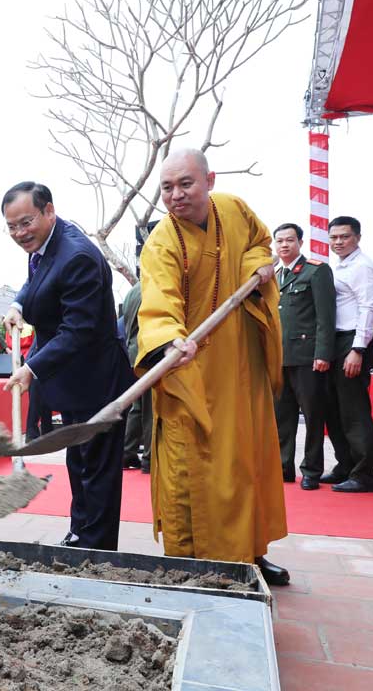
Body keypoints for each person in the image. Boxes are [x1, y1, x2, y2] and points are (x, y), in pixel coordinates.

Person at [135, 148, 289, 585]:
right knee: (195, 469)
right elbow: (159, 301)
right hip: (192, 372)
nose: (176, 195)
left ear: (209, 180)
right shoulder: (162, 242)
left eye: (186, 184)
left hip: (242, 363)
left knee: (247, 463)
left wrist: (256, 267)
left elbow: (260, 243)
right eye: (167, 187)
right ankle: (196, 565)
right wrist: (169, 340)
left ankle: (250, 554)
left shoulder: (234, 209)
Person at [2, 181, 135, 551]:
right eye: (12, 226)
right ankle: (81, 533)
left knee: (98, 469)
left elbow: (77, 329)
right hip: (74, 382)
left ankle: (96, 547)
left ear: (49, 211)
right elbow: (36, 279)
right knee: (79, 462)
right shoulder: (48, 244)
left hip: (97, 380)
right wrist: (18, 305)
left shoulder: (76, 254)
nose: (19, 233)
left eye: (26, 222)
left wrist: (31, 368)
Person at [271, 223, 335, 490]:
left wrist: (323, 353)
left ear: (300, 242)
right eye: (279, 241)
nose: (284, 245)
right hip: (280, 359)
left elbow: (325, 316)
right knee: (281, 416)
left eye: (289, 240)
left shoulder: (316, 271)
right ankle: (283, 467)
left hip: (308, 357)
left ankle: (311, 470)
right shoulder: (274, 275)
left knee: (312, 416)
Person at [321, 216, 373, 493]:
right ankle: (345, 465)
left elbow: (368, 309)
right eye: (333, 237)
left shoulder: (363, 267)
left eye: (344, 236)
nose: (338, 242)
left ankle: (364, 475)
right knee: (334, 410)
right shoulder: (340, 266)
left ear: (357, 237)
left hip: (351, 343)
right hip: (335, 343)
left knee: (354, 411)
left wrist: (357, 349)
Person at [121, 280, 152, 473]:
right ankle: (149, 459)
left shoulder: (131, 292)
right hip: (147, 353)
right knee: (150, 409)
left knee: (137, 407)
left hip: (132, 352)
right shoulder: (152, 288)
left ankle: (126, 452)